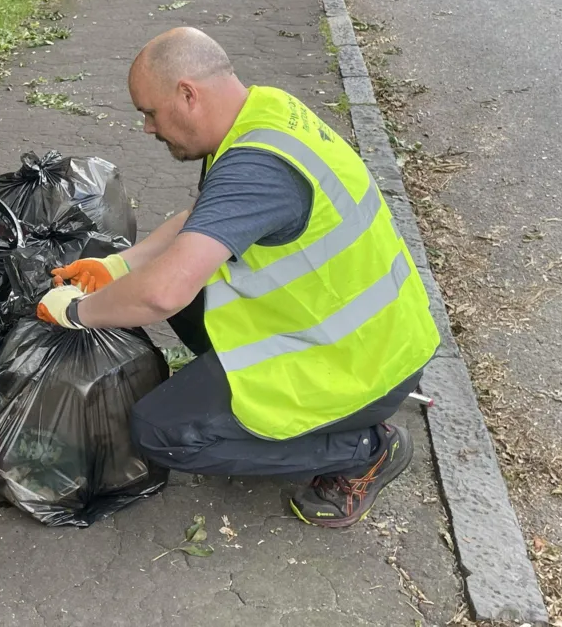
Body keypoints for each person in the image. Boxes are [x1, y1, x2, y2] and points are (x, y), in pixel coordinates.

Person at [37, 27, 440, 528]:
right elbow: (208, 215)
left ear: (188, 94)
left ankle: (363, 449)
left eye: (151, 112)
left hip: (363, 367)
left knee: (158, 432)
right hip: (354, 334)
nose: (147, 128)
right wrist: (120, 265)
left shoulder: (257, 167)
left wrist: (75, 313)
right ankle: (247, 404)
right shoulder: (262, 112)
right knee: (181, 281)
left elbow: (164, 294)